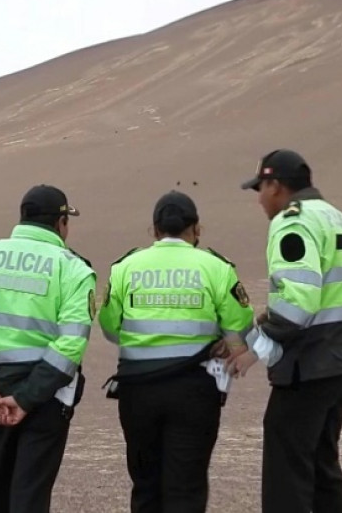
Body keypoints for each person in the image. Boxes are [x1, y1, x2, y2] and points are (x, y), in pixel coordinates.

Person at [233, 149, 342, 513]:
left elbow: (296, 306)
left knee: (287, 468)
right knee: (323, 464)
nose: (259, 198)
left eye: (261, 188)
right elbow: (323, 294)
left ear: (276, 186)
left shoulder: (292, 222)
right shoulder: (338, 219)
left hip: (311, 365)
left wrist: (254, 348)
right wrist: (263, 320)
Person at [0, 184, 97, 513]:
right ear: (61, 223)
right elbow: (71, 343)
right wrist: (26, 398)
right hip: (46, 398)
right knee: (30, 499)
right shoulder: (74, 269)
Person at [98, 190, 254, 513]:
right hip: (194, 392)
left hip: (138, 391)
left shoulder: (125, 267)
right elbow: (239, 325)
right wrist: (226, 340)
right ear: (196, 229)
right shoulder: (216, 267)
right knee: (186, 488)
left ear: (155, 230)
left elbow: (110, 328)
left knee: (146, 487)